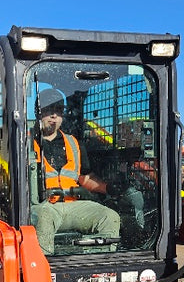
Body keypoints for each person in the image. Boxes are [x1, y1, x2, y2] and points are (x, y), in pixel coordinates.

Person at [30, 88, 120, 254]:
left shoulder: (73, 143)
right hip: (41, 207)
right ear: (38, 112)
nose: (54, 116)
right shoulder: (25, 143)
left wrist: (109, 188)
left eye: (58, 111)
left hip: (73, 205)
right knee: (45, 215)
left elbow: (85, 177)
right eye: (49, 110)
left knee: (109, 216)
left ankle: (95, 262)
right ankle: (45, 268)